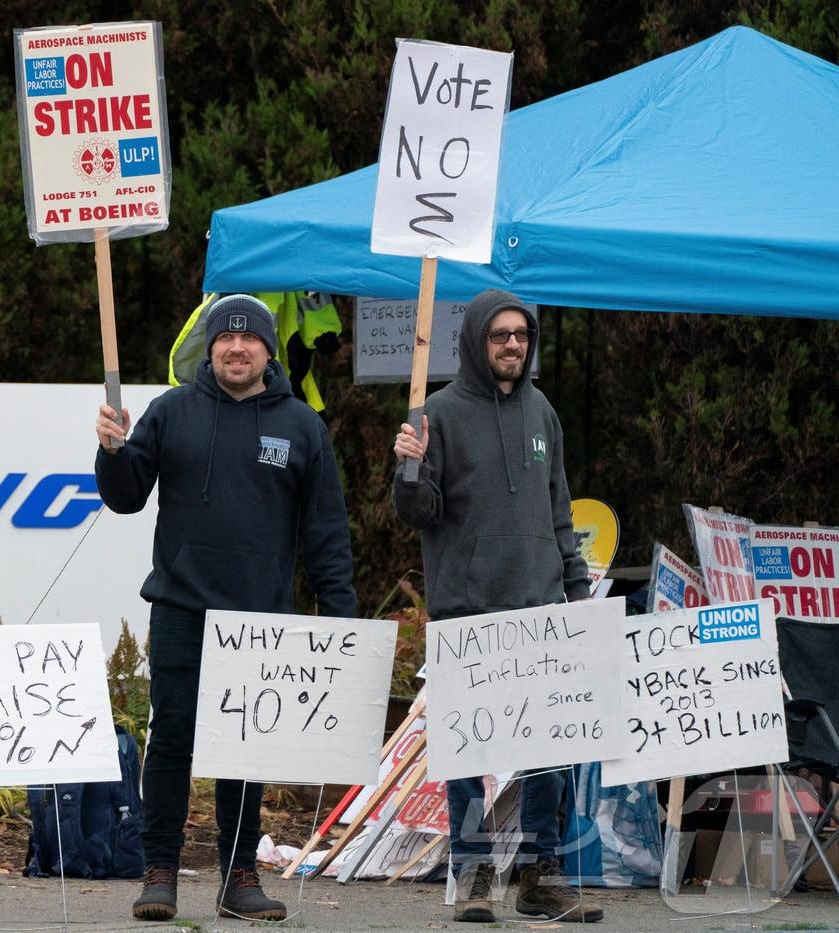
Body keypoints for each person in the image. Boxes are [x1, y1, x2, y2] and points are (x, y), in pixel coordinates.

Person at [95, 293, 357, 922]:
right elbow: (126, 497)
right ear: (209, 347)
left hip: (259, 621)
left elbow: (326, 532)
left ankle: (240, 877)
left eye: (250, 339)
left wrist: (340, 619)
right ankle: (159, 870)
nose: (236, 348)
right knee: (172, 743)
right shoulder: (172, 411)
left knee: (246, 749)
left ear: (269, 350)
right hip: (181, 608)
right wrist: (111, 452)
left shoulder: (301, 425)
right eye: (225, 339)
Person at [392, 288, 602, 924]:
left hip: (541, 608)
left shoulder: (543, 412)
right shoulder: (437, 415)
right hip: (467, 612)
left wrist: (574, 593)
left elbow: (559, 510)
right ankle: (474, 873)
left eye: (521, 335)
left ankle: (540, 876)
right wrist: (409, 467)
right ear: (476, 342)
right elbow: (416, 514)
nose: (512, 344)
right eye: (499, 335)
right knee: (468, 753)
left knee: (548, 752)